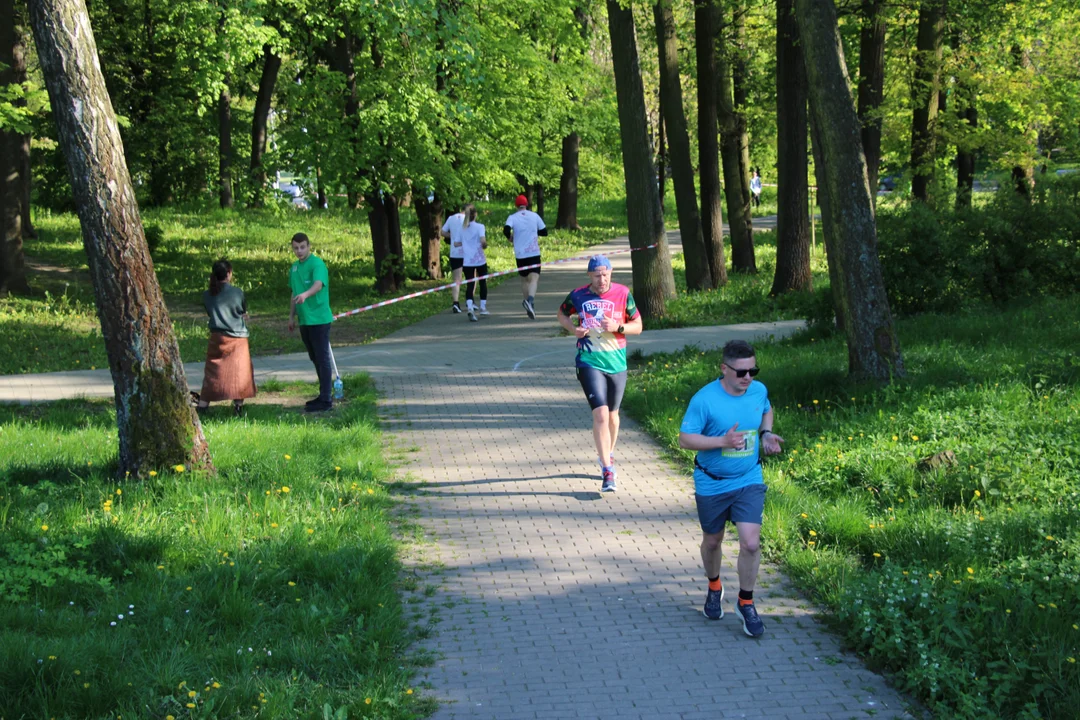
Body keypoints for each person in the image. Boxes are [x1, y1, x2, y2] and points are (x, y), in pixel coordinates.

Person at [677, 340, 784, 638]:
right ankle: (714, 586)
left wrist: (766, 433)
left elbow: (766, 409)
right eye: (741, 373)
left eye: (753, 371)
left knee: (750, 543)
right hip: (711, 481)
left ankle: (746, 601)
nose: (748, 378)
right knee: (713, 541)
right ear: (724, 369)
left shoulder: (758, 390)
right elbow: (685, 440)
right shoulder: (704, 400)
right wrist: (722, 442)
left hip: (748, 479)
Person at [556, 255, 642, 493]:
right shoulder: (578, 295)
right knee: (601, 415)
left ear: (611, 273)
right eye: (597, 275)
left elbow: (638, 325)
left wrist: (618, 327)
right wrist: (574, 329)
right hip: (588, 361)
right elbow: (562, 314)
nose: (602, 280)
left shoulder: (623, 293)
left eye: (605, 275)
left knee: (613, 415)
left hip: (616, 363)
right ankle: (607, 469)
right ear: (589, 276)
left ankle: (609, 454)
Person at [195, 259, 256, 416]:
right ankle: (237, 406)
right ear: (229, 273)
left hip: (217, 337)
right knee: (240, 372)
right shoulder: (237, 292)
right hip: (237, 338)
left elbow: (211, 312)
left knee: (213, 372)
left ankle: (203, 405)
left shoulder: (207, 295)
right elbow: (242, 310)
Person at [287, 232, 334, 412]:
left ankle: (326, 399)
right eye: (296, 248)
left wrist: (306, 295)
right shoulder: (294, 268)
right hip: (304, 319)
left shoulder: (317, 264)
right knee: (314, 357)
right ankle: (322, 394)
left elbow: (318, 285)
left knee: (322, 358)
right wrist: (291, 316)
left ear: (309, 246)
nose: (299, 251)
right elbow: (293, 292)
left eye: (302, 247)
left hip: (319, 319)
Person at [503, 194, 548, 319]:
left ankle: (528, 304)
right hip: (533, 252)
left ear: (516, 205)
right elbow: (545, 232)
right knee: (534, 279)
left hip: (520, 254)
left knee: (524, 279)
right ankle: (530, 301)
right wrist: (533, 231)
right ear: (527, 204)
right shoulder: (534, 216)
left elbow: (506, 230)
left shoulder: (512, 217)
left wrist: (510, 237)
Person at [456, 203, 489, 322]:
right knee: (483, 282)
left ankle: (470, 307)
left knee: (470, 284)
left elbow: (456, 243)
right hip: (480, 259)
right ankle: (483, 307)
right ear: (475, 215)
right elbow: (483, 241)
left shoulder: (462, 228)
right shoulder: (480, 226)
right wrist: (484, 245)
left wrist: (466, 243)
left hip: (467, 261)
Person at [441, 208, 466, 314]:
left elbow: (442, 232)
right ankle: (471, 301)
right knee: (472, 276)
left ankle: (456, 303)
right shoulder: (468, 219)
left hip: (455, 253)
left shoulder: (451, 218)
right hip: (467, 252)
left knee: (456, 279)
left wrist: (452, 236)